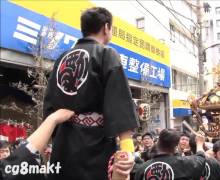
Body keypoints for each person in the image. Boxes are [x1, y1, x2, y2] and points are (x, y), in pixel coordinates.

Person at [43, 7, 139, 180]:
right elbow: (119, 103)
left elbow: (49, 104)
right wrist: (127, 150)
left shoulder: (62, 58)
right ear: (106, 27)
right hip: (95, 146)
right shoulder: (106, 53)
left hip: (63, 143)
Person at [134, 129, 206, 179]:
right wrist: (199, 143)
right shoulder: (183, 163)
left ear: (158, 142)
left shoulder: (143, 168)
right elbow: (201, 158)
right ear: (176, 145)